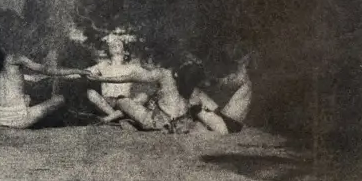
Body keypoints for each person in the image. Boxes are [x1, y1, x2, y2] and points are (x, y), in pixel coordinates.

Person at [85, 54, 252, 135]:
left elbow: (129, 76)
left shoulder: (163, 74)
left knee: (123, 101)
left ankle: (109, 118)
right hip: (183, 124)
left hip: (158, 122)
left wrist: (102, 77)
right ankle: (119, 120)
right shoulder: (194, 88)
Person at [0, 42, 83, 129]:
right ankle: (69, 123)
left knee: (28, 98)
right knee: (60, 99)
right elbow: (48, 70)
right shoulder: (14, 59)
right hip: (20, 119)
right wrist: (77, 70)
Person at [85, 35, 140, 122]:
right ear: (108, 50)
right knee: (90, 93)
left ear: (125, 52)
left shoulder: (132, 67)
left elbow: (150, 77)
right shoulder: (103, 65)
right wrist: (61, 74)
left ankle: (112, 117)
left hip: (124, 103)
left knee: (143, 96)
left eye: (118, 45)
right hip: (106, 104)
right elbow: (84, 73)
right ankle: (117, 117)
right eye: (112, 45)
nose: (115, 45)